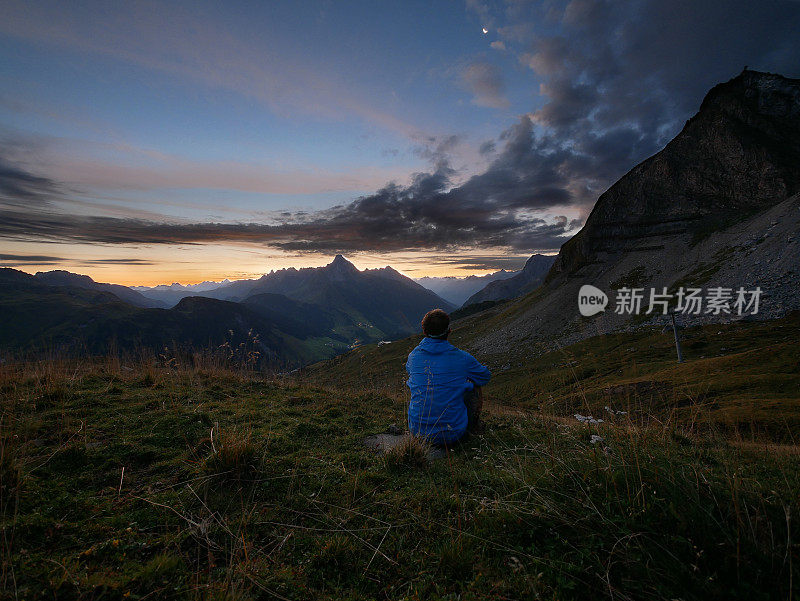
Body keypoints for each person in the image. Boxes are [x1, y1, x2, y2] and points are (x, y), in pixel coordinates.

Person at [406, 308, 491, 446]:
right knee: (474, 384)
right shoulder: (462, 358)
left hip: (417, 432)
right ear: (449, 331)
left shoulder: (413, 356)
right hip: (452, 434)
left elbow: (409, 371)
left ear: (424, 332)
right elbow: (485, 377)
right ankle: (472, 427)